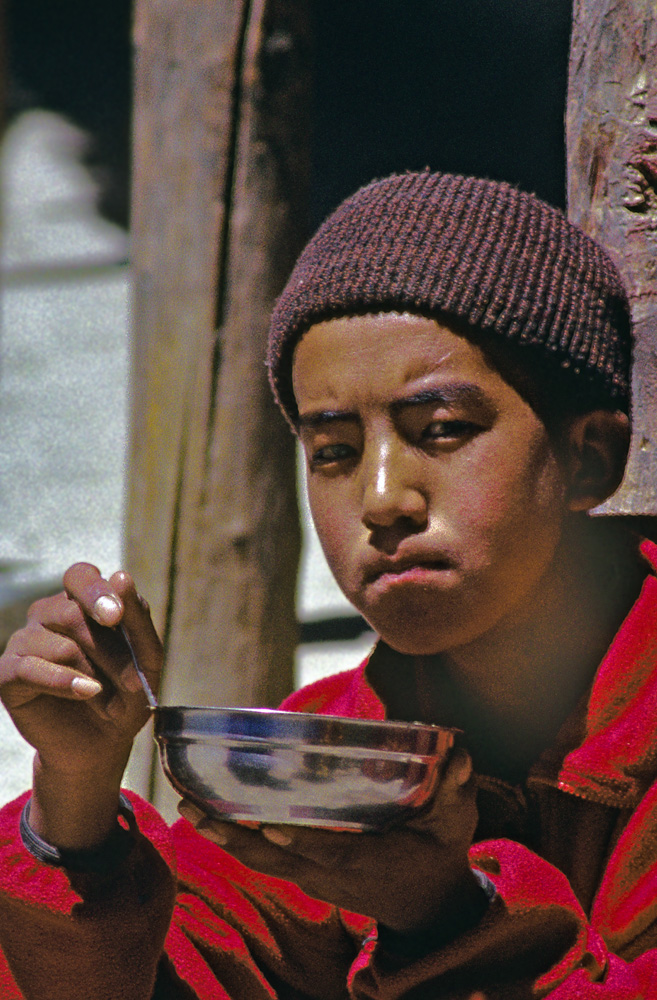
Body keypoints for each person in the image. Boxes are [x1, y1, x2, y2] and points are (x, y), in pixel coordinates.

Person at [0, 170, 656, 1000]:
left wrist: (445, 917)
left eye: (443, 430)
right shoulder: (334, 750)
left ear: (588, 456)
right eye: (334, 452)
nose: (380, 497)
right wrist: (74, 798)